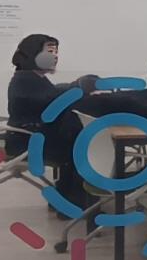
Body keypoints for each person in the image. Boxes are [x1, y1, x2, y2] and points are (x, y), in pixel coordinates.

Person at [6, 34, 98, 209]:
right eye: (50, 52)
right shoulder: (26, 79)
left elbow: (53, 93)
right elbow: (52, 99)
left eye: (56, 52)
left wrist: (78, 85)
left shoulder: (32, 77)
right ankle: (74, 203)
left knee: (79, 137)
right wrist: (80, 86)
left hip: (33, 137)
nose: (55, 56)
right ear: (33, 54)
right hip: (28, 142)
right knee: (85, 146)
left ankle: (68, 199)